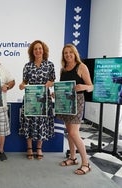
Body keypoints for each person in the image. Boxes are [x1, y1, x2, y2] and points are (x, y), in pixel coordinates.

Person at [57, 44, 93, 175]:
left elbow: (91, 86)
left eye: (70, 52)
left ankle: (86, 163)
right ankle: (72, 158)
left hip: (77, 102)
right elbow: (63, 86)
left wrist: (82, 86)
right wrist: (56, 93)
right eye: (65, 53)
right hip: (65, 102)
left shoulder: (81, 67)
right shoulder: (63, 69)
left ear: (75, 53)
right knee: (69, 132)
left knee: (74, 133)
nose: (68, 55)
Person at [18, 40, 55, 160]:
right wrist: (21, 85)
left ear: (43, 50)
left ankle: (39, 148)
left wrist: (50, 83)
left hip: (44, 99)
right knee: (29, 122)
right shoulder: (27, 66)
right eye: (35, 49)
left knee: (42, 123)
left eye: (40, 48)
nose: (38, 51)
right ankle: (29, 148)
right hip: (31, 98)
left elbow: (52, 80)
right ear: (32, 52)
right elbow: (25, 81)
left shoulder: (50, 65)